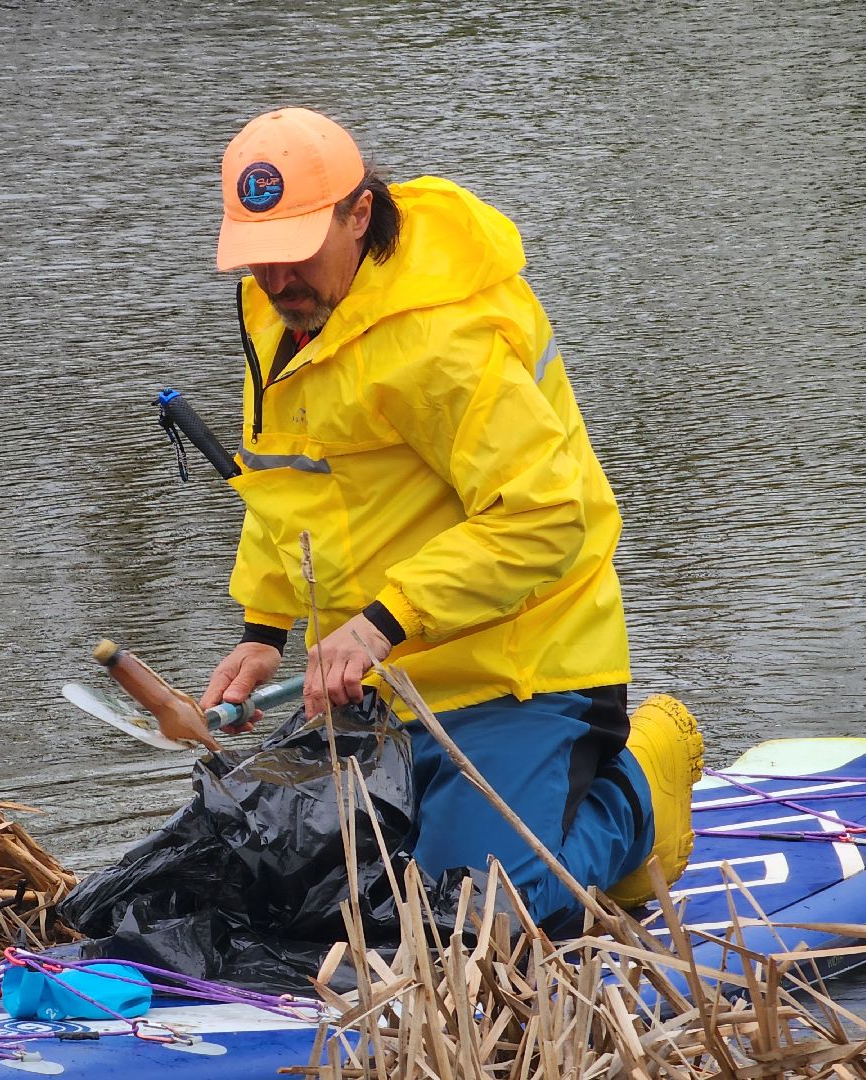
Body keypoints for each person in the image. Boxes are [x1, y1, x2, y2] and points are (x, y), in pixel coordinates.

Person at [196, 107, 703, 926]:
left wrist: (375, 626)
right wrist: (264, 630)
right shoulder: (282, 314)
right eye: (257, 259)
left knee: (477, 920)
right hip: (383, 673)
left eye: (295, 254)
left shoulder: (446, 340)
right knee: (291, 893)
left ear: (360, 214)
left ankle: (646, 778)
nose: (276, 280)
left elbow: (545, 516)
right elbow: (291, 480)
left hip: (522, 667)